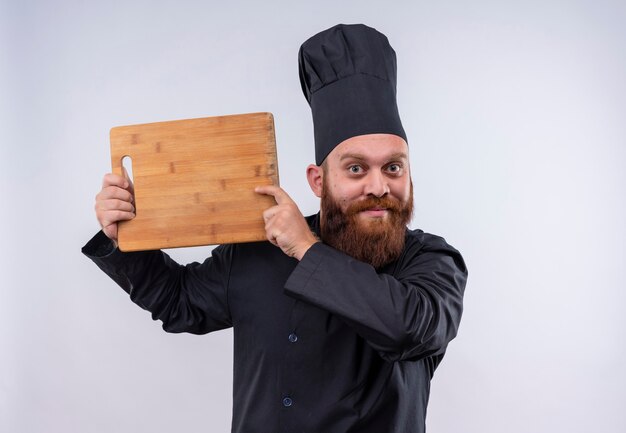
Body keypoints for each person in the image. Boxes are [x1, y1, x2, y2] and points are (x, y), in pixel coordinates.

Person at [83, 23, 468, 433]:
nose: (378, 186)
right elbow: (179, 303)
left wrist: (307, 249)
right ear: (318, 181)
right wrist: (120, 235)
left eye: (393, 167)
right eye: (356, 169)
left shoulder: (430, 261)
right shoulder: (260, 246)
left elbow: (411, 329)